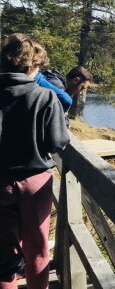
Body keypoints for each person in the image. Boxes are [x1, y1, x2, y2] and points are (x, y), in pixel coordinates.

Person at [0, 33, 70, 288]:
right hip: (34, 183)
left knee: (4, 254)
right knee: (37, 249)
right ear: (32, 66)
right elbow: (57, 142)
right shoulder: (45, 97)